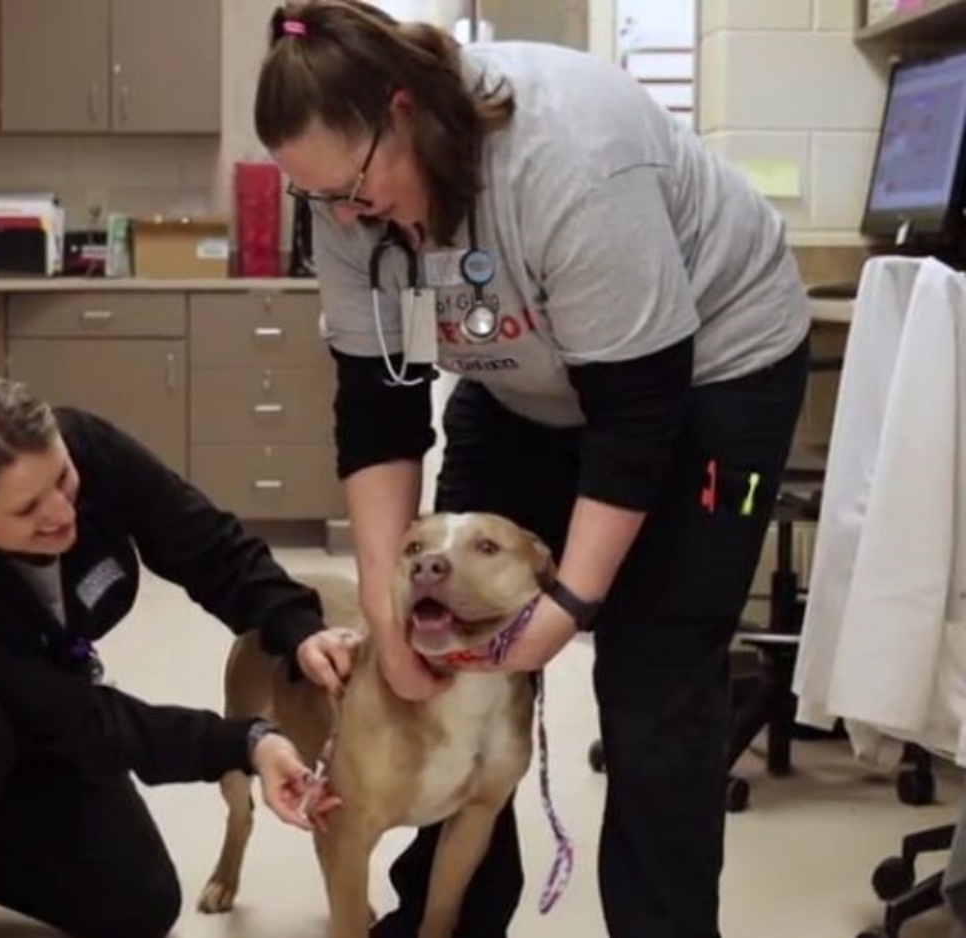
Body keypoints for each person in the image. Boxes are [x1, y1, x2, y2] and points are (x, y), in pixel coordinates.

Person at [254, 3, 811, 937]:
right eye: (320, 203)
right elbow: (379, 413)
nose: (347, 218)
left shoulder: (568, 159)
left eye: (352, 188)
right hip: (524, 379)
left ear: (402, 112)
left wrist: (569, 606)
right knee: (446, 623)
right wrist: (390, 612)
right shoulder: (350, 202)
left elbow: (638, 421)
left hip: (714, 372)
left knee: (654, 680)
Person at [0, 372, 350, 938]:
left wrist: (297, 626)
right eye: (28, 508)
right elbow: (77, 716)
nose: (63, 512)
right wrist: (245, 742)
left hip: (24, 705)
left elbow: (203, 541)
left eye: (63, 478)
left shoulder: (87, 449)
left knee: (137, 905)